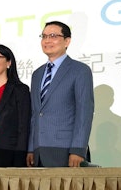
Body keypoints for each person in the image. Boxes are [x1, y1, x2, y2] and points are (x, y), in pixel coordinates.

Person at [26, 21, 94, 167]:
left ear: (67, 41)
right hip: (39, 151)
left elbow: (84, 112)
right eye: (44, 36)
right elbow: (35, 114)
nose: (47, 40)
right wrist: (31, 148)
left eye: (53, 36)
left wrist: (78, 149)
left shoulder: (80, 70)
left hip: (66, 149)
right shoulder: (37, 74)